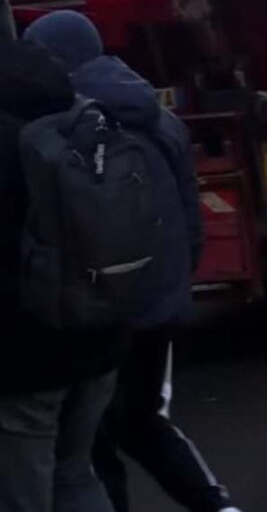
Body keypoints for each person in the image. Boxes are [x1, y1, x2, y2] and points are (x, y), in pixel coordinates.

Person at [22, 10, 241, 512]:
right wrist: (173, 281)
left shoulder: (58, 120)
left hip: (99, 305)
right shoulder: (157, 113)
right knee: (143, 419)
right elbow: (189, 210)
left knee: (90, 441)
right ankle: (217, 506)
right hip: (157, 297)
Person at [0, 41, 124, 512]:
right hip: (96, 333)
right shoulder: (70, 102)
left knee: (23, 494)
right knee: (75, 475)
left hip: (22, 357)